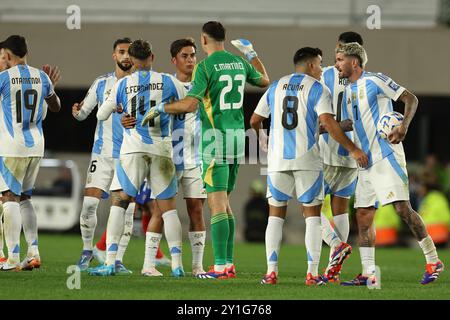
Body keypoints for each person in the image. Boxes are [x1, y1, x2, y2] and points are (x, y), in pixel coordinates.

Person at [142, 21, 270, 279]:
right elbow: (265, 81)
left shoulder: (205, 66)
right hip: (238, 138)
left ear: (203, 40)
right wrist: (251, 54)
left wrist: (160, 108)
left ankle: (221, 266)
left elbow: (190, 105)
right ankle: (228, 263)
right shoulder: (238, 62)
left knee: (217, 205)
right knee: (225, 205)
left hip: (214, 139)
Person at [250, 47, 368, 286]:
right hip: (307, 160)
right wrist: (353, 148)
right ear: (313, 65)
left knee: (275, 215)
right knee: (312, 217)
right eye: (321, 63)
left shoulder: (276, 86)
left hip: (277, 160)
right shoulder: (317, 88)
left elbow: (254, 119)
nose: (323, 68)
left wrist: (263, 138)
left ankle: (271, 272)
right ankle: (312, 274)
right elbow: (328, 123)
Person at [334, 42, 444, 285]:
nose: (336, 64)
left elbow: (410, 99)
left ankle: (433, 259)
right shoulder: (347, 91)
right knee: (363, 215)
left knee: (402, 210)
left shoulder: (376, 80)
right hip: (365, 161)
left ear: (354, 62)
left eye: (340, 59)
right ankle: (368, 273)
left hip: (386, 155)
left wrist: (403, 126)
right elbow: (348, 123)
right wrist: (326, 126)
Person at [88, 39, 185, 277]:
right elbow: (188, 104)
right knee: (168, 209)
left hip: (132, 150)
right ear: (152, 57)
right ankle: (177, 265)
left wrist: (120, 110)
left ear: (131, 60)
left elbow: (101, 114)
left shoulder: (123, 83)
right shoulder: (168, 81)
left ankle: (110, 262)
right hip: (161, 149)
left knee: (120, 201)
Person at [121, 38, 207, 276]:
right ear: (174, 60)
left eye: (192, 55)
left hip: (196, 158)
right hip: (168, 156)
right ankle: (149, 264)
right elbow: (134, 109)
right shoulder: (164, 84)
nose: (190, 60)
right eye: (184, 56)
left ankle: (197, 266)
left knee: (196, 210)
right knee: (160, 210)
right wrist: (124, 118)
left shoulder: (203, 84)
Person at [72, 38, 135, 274]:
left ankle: (117, 259)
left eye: (129, 52)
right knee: (89, 204)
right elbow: (83, 114)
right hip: (102, 153)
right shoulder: (102, 83)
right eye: (121, 52)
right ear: (114, 55)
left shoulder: (140, 83)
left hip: (130, 155)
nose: (126, 56)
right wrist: (77, 112)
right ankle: (87, 250)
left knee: (126, 209)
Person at [0, 35, 61, 271]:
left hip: (12, 146)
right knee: (25, 198)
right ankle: (33, 251)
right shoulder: (42, 77)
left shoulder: (4, 78)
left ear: (7, 55)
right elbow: (56, 106)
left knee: (9, 198)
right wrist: (49, 89)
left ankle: (13, 258)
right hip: (37, 146)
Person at [319, 31, 364, 282]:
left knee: (310, 207)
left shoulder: (324, 74)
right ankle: (332, 270)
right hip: (353, 152)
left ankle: (334, 248)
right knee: (340, 209)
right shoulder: (364, 78)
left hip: (326, 150)